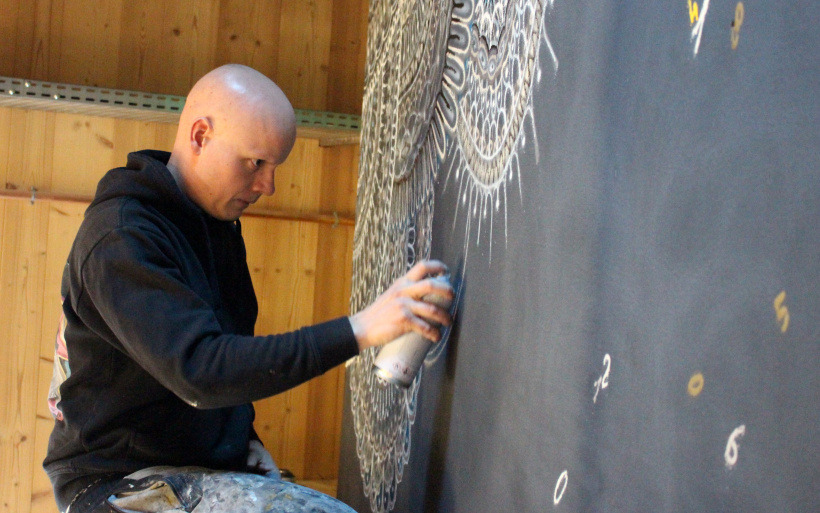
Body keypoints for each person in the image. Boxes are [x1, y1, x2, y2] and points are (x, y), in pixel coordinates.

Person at [43, 64, 453, 513]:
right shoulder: (121, 237)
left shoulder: (214, 227)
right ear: (200, 136)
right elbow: (202, 371)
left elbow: (218, 361)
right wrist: (361, 329)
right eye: (256, 162)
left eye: (274, 166)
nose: (268, 185)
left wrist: (242, 439)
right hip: (111, 485)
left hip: (183, 467)